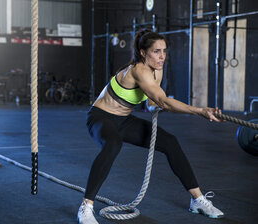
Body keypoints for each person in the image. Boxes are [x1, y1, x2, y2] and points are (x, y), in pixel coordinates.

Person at [77, 29, 224, 224]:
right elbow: (163, 101)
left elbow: (152, 102)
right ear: (143, 52)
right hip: (100, 118)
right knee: (113, 144)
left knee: (170, 142)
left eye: (164, 51)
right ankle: (86, 207)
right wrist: (199, 111)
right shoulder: (138, 70)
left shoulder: (157, 69)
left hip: (124, 120)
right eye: (156, 51)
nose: (162, 56)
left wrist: (156, 103)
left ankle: (197, 199)